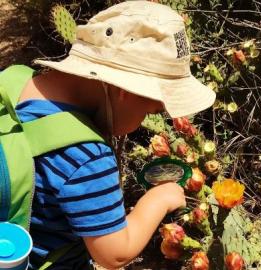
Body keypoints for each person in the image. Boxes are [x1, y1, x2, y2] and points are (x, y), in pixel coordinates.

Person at [14, 1, 216, 269]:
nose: (146, 120)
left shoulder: (16, 82)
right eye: (150, 110)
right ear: (126, 90)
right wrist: (158, 199)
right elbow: (114, 254)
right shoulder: (87, 158)